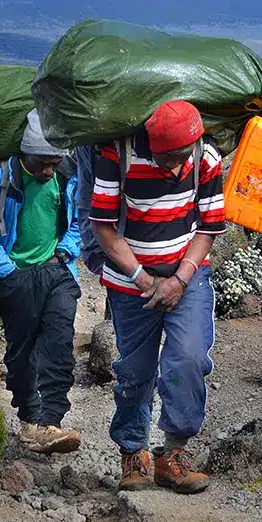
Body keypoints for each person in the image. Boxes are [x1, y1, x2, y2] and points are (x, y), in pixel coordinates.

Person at [90, 101, 226, 494]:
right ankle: (133, 452)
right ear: (153, 144)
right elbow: (104, 228)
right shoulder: (119, 156)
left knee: (189, 357)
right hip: (131, 283)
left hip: (187, 277)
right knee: (135, 368)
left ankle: (174, 453)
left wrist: (179, 280)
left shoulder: (206, 156)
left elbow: (210, 226)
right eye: (170, 157)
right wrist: (142, 278)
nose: (177, 167)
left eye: (184, 156)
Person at [0, 110, 83, 455]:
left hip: (56, 271)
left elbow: (77, 220)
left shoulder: (66, 176)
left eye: (53, 163)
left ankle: (50, 422)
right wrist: (7, 271)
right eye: (41, 163)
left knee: (60, 344)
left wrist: (64, 254)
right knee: (23, 352)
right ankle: (30, 421)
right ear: (24, 153)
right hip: (15, 277)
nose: (47, 171)